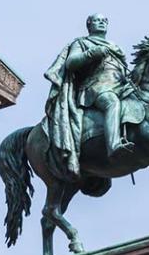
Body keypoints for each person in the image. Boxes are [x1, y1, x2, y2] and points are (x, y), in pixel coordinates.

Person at [43, 14, 139, 179]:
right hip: (96, 87)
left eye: (104, 20)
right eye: (97, 20)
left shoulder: (115, 47)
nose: (101, 22)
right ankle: (113, 145)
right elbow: (71, 63)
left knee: (148, 112)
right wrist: (92, 53)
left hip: (120, 86)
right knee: (112, 103)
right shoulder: (81, 43)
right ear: (89, 25)